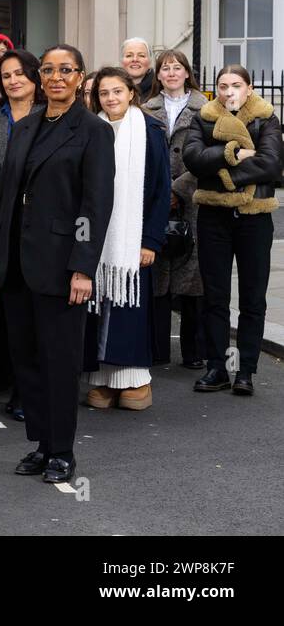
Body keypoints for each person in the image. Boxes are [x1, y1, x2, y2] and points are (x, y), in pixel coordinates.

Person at [0, 44, 114, 484]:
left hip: (60, 266)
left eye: (66, 70)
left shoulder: (93, 130)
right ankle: (39, 443)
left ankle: (62, 450)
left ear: (80, 77)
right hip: (17, 264)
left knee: (59, 362)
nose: (56, 77)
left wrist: (83, 267)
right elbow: (2, 200)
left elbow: (95, 206)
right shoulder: (26, 125)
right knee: (27, 360)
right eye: (50, 70)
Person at [184, 65, 282, 396]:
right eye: (223, 86)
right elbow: (193, 158)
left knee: (253, 298)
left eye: (236, 85)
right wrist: (234, 153)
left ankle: (245, 371)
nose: (229, 92)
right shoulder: (204, 117)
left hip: (255, 216)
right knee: (215, 296)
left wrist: (223, 172)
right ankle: (218, 367)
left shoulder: (267, 118)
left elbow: (271, 163)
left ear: (249, 88)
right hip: (214, 216)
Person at [82, 67, 170, 412]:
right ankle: (102, 380)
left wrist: (149, 241)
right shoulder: (90, 129)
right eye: (104, 93)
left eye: (117, 91)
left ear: (131, 93)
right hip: (96, 241)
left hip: (132, 240)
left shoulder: (149, 131)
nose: (111, 98)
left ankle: (134, 380)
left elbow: (162, 191)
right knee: (97, 308)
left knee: (129, 310)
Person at [0, 49, 44, 415]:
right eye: (6, 75)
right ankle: (8, 380)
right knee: (4, 316)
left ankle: (28, 392)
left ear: (34, 77)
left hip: (36, 228)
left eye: (20, 73)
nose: (13, 80)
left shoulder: (48, 118)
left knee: (32, 318)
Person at [143, 50, 207, 369]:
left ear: (186, 73)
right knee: (157, 274)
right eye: (165, 68)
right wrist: (161, 191)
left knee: (191, 276)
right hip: (155, 199)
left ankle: (193, 353)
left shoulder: (205, 109)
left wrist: (178, 189)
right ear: (157, 75)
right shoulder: (145, 109)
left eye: (176, 67)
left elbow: (210, 156)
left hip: (192, 200)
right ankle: (157, 350)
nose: (170, 72)